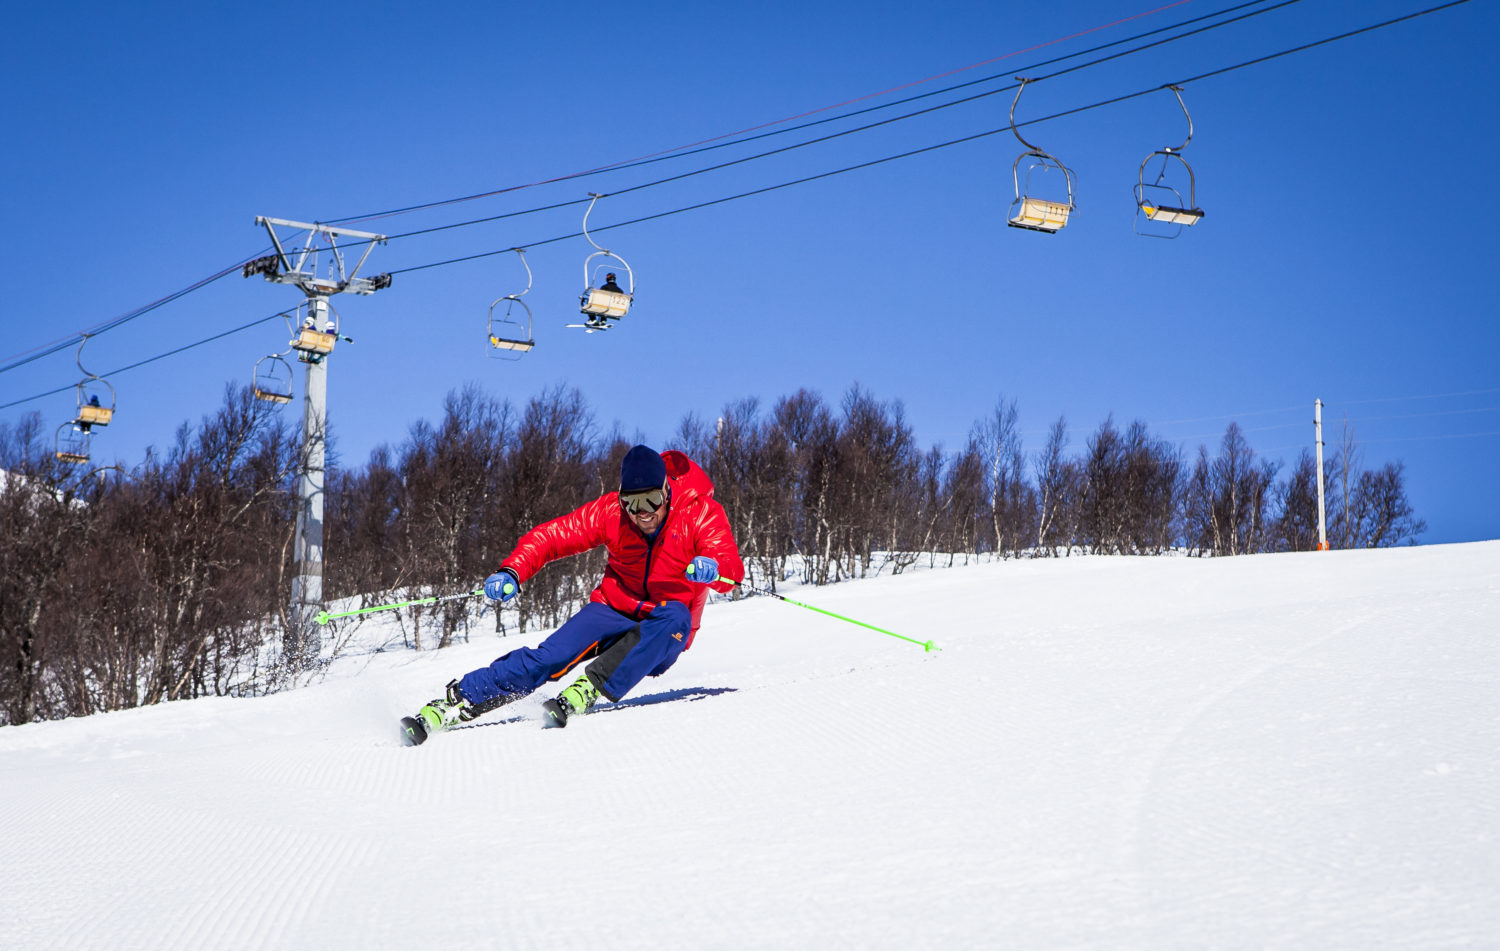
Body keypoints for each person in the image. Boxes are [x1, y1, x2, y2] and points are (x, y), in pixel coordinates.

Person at [409, 444, 744, 738]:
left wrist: (714, 569)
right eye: (632, 503)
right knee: (549, 658)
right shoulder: (611, 513)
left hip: (664, 628)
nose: (642, 514)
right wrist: (513, 569)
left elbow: (731, 571)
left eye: (651, 502)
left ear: (667, 491)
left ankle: (590, 687)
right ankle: (459, 701)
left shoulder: (699, 514)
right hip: (613, 609)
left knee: (675, 615)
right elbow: (553, 536)